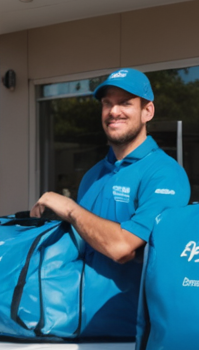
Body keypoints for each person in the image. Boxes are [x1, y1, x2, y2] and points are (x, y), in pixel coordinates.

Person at [31, 68, 190, 303]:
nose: (114, 111)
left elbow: (122, 247)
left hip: (130, 331)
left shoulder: (164, 174)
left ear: (148, 111)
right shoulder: (94, 175)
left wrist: (70, 209)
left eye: (125, 103)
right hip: (76, 316)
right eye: (107, 104)